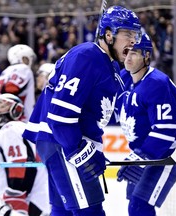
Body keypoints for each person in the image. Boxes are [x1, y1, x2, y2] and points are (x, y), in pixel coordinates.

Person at [22, 6, 142, 216]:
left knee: (63, 211)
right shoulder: (87, 56)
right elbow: (60, 117)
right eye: (127, 34)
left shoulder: (110, 67)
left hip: (61, 143)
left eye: (135, 35)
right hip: (63, 141)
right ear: (108, 34)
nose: (133, 41)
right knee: (91, 211)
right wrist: (80, 152)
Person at [115, 33, 176, 216]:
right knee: (133, 204)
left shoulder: (157, 84)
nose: (128, 57)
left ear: (147, 56)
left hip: (169, 152)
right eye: (125, 51)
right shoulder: (124, 78)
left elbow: (165, 131)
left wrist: (141, 157)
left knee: (139, 206)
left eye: (134, 52)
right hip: (145, 152)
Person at [0, 93, 51, 216]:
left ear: (16, 110)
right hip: (37, 197)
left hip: (26, 199)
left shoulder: (10, 129)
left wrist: (15, 200)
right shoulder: (21, 128)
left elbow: (20, 165)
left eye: (3, 105)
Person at [0, 44, 36, 145]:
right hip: (6, 122)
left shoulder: (6, 72)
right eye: (28, 58)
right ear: (21, 57)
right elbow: (10, 89)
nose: (30, 61)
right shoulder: (23, 69)